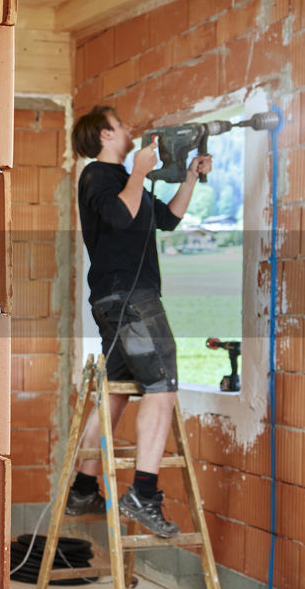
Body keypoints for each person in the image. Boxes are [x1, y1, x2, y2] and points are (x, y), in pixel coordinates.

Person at [65, 106, 211, 538]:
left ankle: (84, 487)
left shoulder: (128, 183)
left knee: (114, 395)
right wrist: (139, 172)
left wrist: (189, 178)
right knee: (162, 387)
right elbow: (120, 216)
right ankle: (143, 494)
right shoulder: (96, 176)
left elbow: (167, 219)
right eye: (121, 124)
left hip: (117, 304)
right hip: (131, 302)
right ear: (105, 136)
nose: (130, 129)